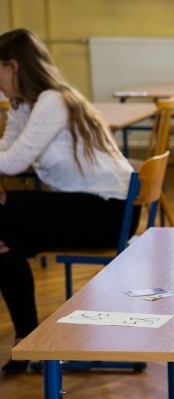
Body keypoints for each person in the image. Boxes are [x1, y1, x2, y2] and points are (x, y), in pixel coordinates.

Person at [0, 28, 137, 374]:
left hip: (109, 212)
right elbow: (7, 152)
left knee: (6, 210)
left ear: (13, 66)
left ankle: (29, 343)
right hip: (83, 207)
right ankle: (28, 341)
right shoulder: (23, 106)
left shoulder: (53, 101)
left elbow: (11, 164)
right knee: (5, 244)